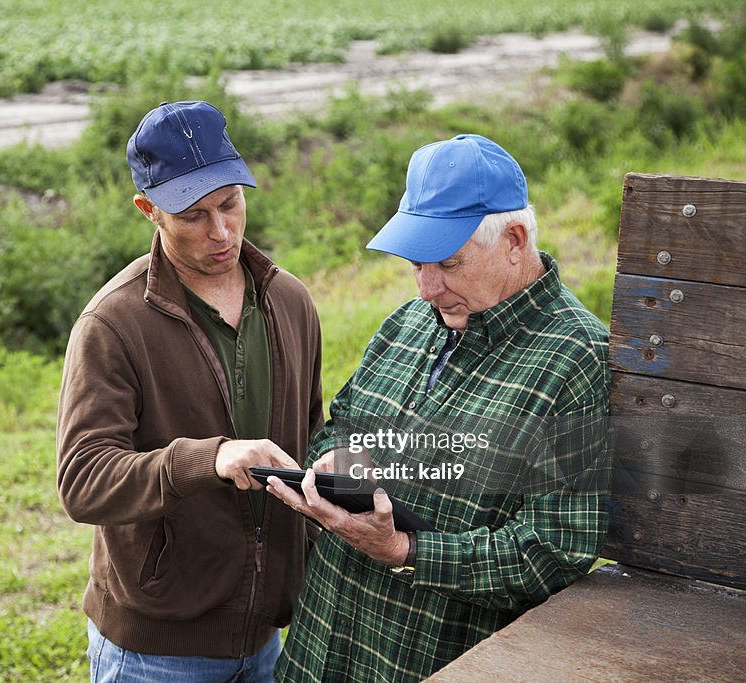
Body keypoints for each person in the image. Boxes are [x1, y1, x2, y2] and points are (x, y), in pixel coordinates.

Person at [265, 134, 612, 681]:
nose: (427, 287)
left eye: (448, 263)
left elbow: (552, 553)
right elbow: (340, 428)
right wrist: (340, 463)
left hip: (429, 661)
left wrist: (406, 550)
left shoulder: (576, 362)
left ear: (515, 240)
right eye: (416, 264)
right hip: (320, 650)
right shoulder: (406, 324)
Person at [56, 100, 324, 682]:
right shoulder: (111, 324)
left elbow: (309, 431)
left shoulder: (291, 302)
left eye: (230, 203)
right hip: (155, 654)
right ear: (148, 210)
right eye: (193, 216)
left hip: (268, 637)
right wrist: (211, 457)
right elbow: (82, 483)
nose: (221, 231)